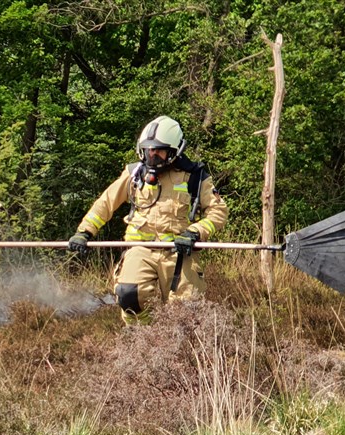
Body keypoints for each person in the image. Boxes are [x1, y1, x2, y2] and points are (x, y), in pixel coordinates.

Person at [67, 116, 228, 324]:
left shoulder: (195, 177)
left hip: (179, 253)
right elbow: (105, 203)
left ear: (174, 151)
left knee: (188, 312)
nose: (152, 154)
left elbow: (218, 212)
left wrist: (195, 232)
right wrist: (84, 232)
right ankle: (143, 340)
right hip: (140, 249)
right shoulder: (135, 174)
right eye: (149, 149)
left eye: (158, 150)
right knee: (129, 295)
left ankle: (181, 350)